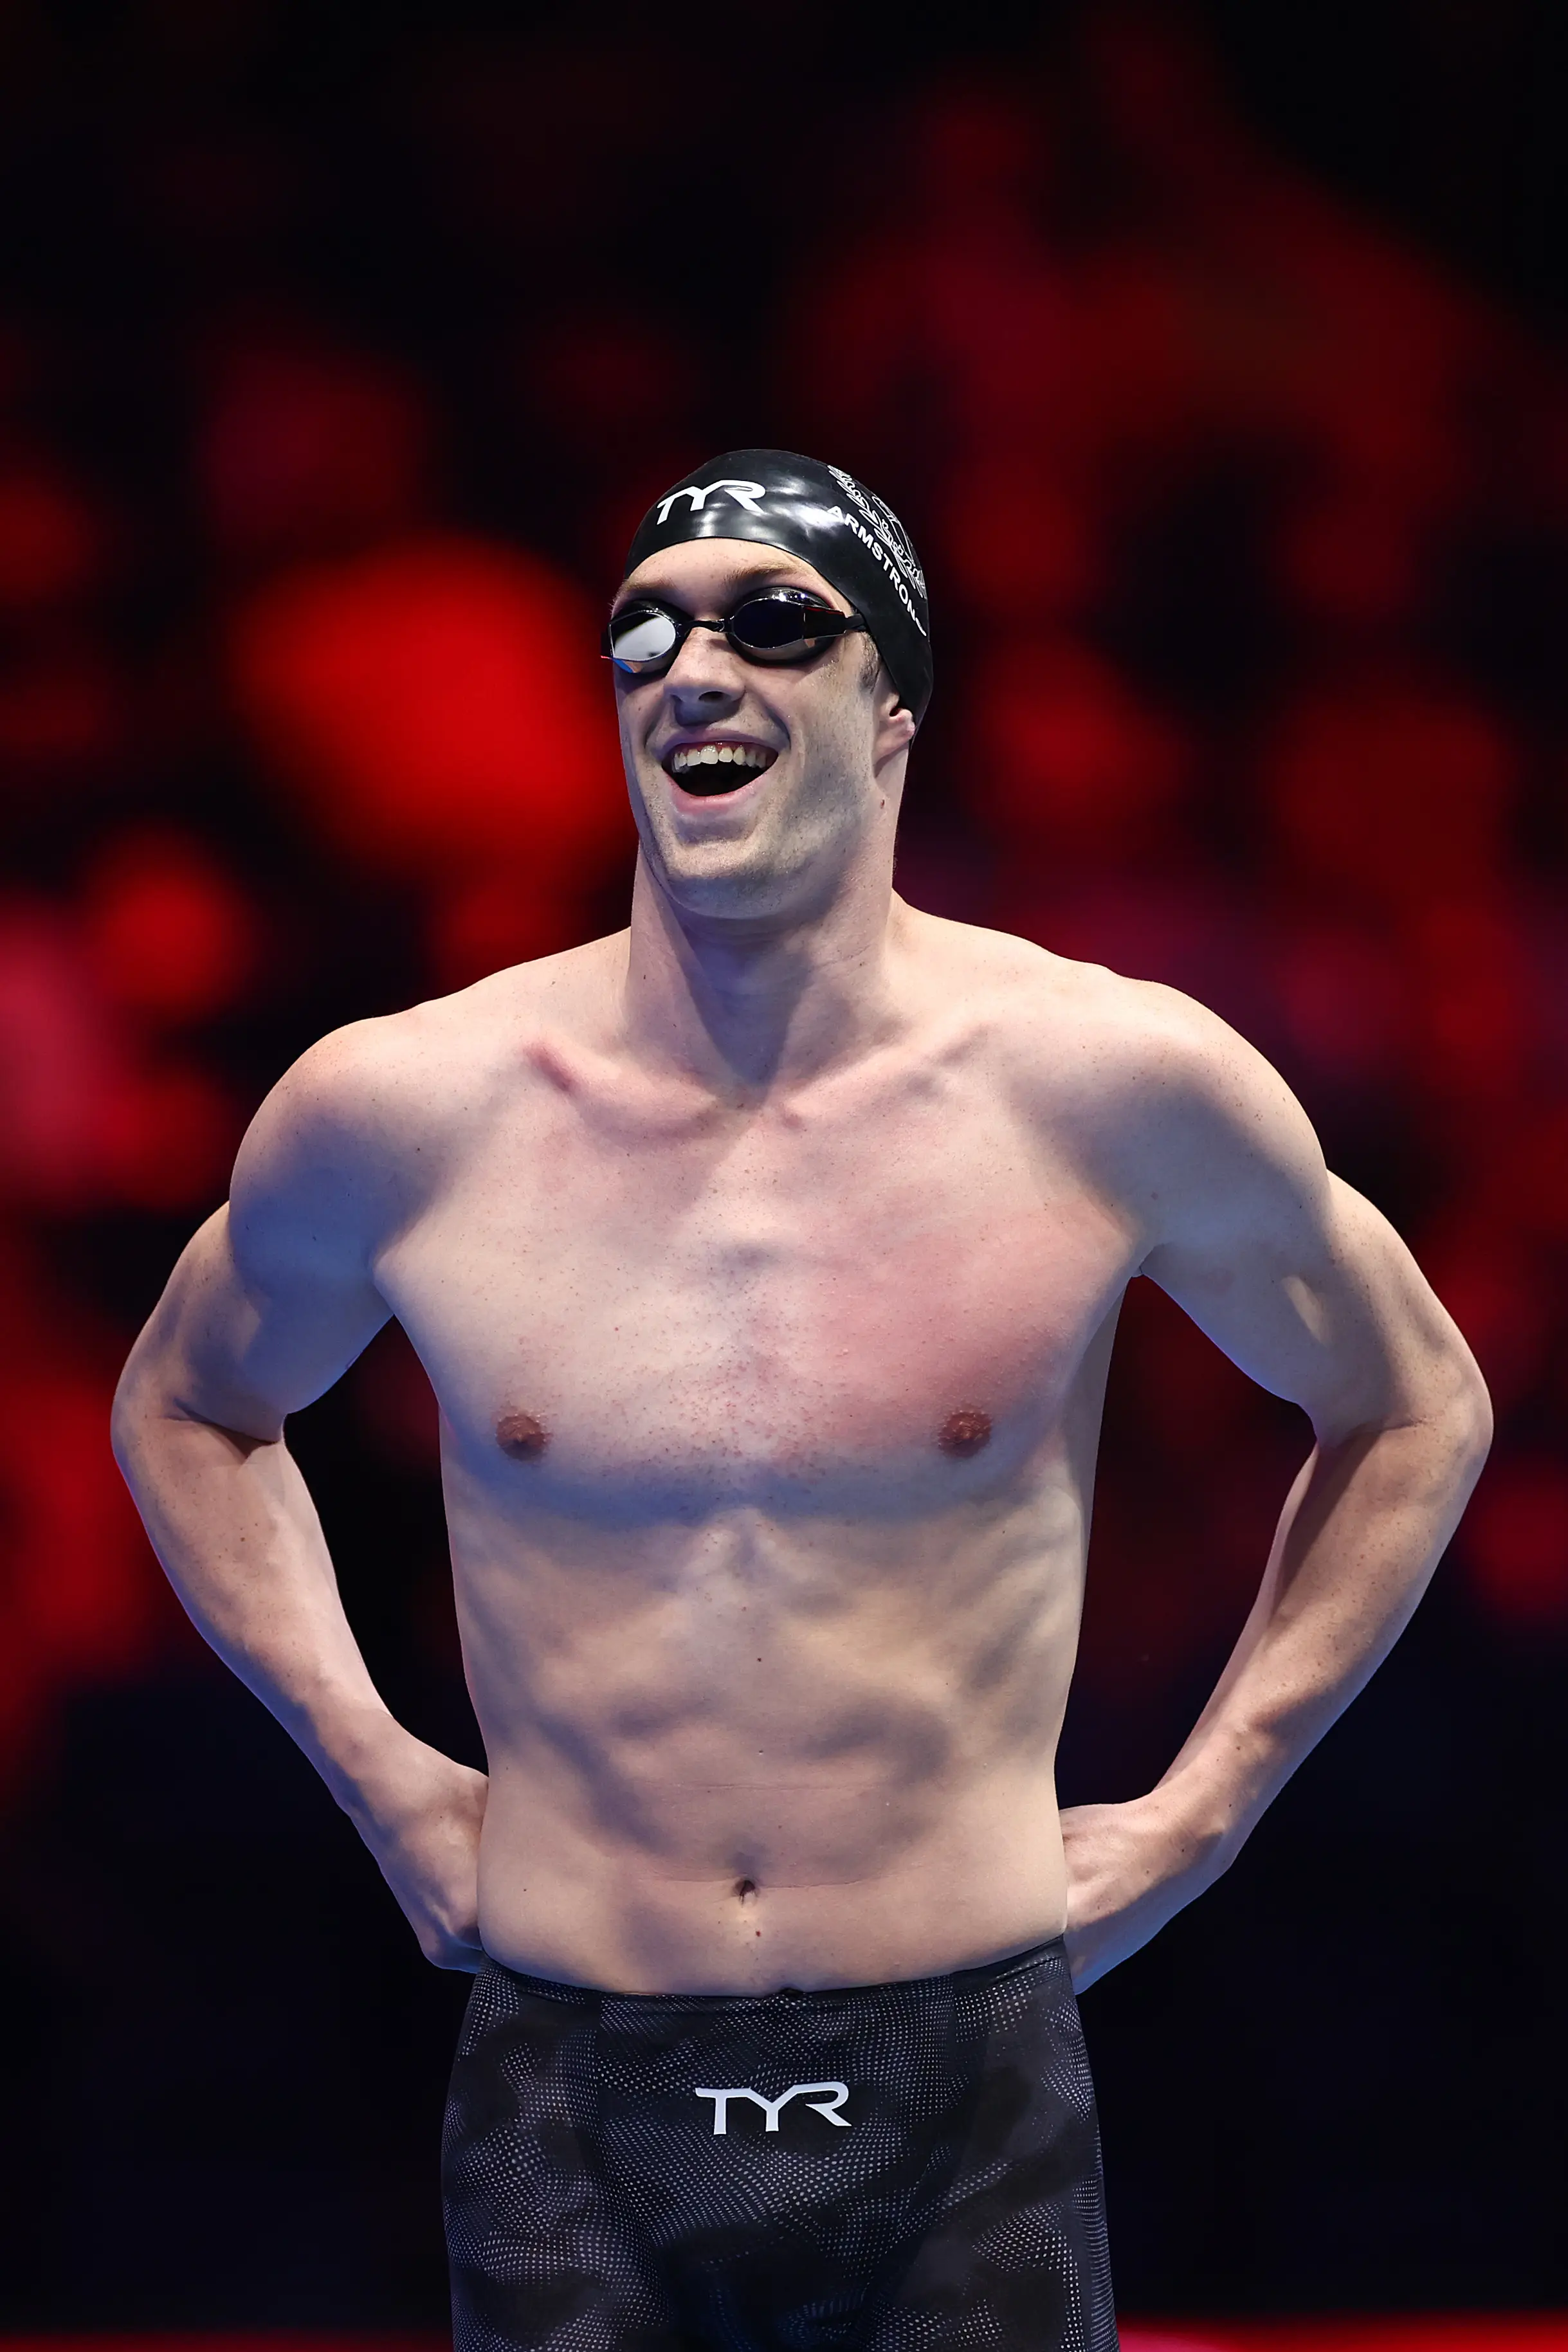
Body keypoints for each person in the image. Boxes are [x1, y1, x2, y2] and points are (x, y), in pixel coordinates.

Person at [113, 450, 1491, 2352]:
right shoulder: (409, 1107)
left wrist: (1205, 1811)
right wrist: (388, 1784)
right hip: (569, 2065)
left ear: (894, 700)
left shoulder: (1102, 1081)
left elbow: (1415, 1399)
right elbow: (187, 1404)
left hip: (962, 2051)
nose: (693, 667)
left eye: (772, 623)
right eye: (645, 632)